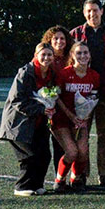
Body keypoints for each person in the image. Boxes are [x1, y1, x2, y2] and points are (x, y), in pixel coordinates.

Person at [69, 0, 105, 188]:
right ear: (84, 13)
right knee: (82, 134)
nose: (92, 14)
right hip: (82, 93)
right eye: (88, 11)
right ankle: (80, 173)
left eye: (95, 10)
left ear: (102, 11)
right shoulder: (75, 34)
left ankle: (104, 173)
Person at [1, 43, 57, 196]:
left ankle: (37, 184)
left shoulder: (51, 73)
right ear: (36, 55)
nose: (46, 58)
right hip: (19, 122)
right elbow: (17, 100)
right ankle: (22, 187)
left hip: (38, 122)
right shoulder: (25, 73)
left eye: (49, 55)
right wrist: (40, 109)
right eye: (43, 54)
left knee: (45, 155)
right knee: (29, 156)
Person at [52, 44, 100, 192]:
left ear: (90, 55)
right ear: (72, 55)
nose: (83, 56)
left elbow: (93, 99)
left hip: (80, 119)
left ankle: (76, 177)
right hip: (62, 119)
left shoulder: (94, 76)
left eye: (86, 53)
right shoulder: (64, 74)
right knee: (72, 152)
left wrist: (84, 117)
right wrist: (71, 115)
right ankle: (59, 180)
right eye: (79, 53)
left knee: (83, 151)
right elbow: (56, 97)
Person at [40, 26, 76, 184]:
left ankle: (68, 178)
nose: (59, 41)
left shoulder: (72, 56)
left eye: (62, 38)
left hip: (70, 107)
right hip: (49, 108)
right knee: (46, 145)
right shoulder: (46, 57)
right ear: (49, 41)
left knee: (66, 146)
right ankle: (52, 178)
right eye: (55, 39)